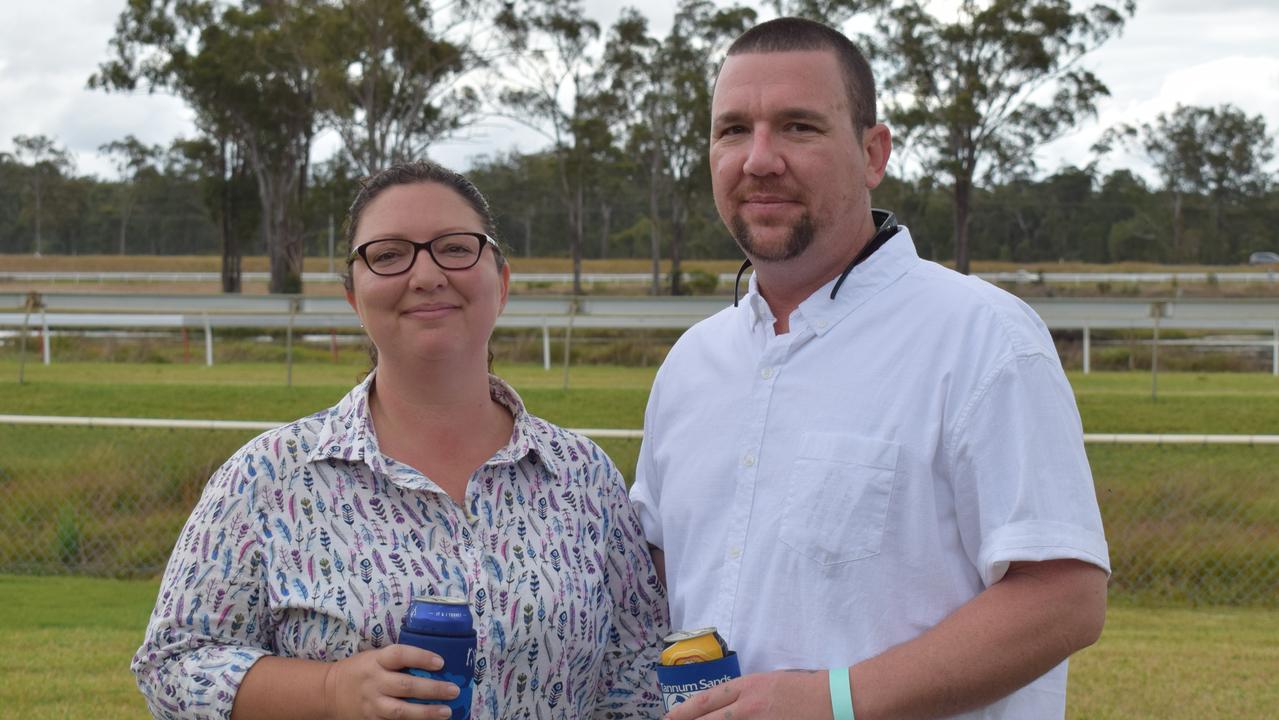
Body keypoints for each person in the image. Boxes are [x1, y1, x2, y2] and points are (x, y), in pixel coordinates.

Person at [629, 17, 1109, 720]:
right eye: (732, 130)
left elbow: (1062, 599)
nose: (759, 159)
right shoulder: (691, 365)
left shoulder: (981, 338)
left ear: (872, 151)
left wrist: (833, 701)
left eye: (797, 127)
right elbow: (662, 585)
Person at [133, 161, 668, 720]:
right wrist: (330, 691)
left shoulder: (584, 476)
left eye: (456, 248)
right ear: (353, 297)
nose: (426, 275)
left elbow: (637, 674)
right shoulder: (268, 477)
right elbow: (171, 667)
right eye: (388, 255)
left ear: (502, 283)